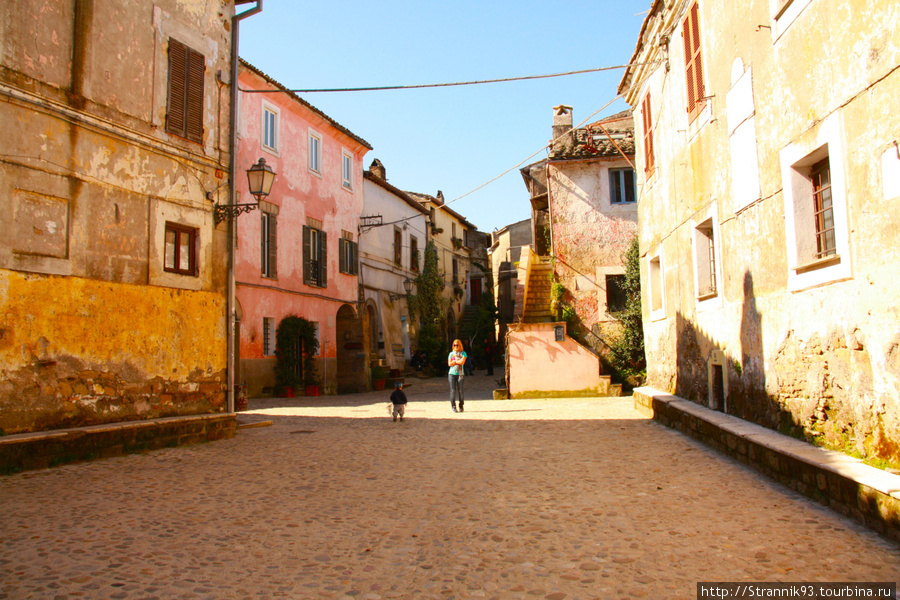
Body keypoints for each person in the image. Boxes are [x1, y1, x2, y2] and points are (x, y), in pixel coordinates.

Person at [447, 339, 467, 413]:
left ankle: (461, 405)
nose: (456, 346)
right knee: (452, 391)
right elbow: (449, 364)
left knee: (460, 391)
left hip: (460, 374)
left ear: (460, 345)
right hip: (452, 374)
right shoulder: (451, 354)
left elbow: (462, 362)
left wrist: (454, 362)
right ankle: (453, 406)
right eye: (454, 345)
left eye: (457, 345)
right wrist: (457, 362)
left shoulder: (463, 353)